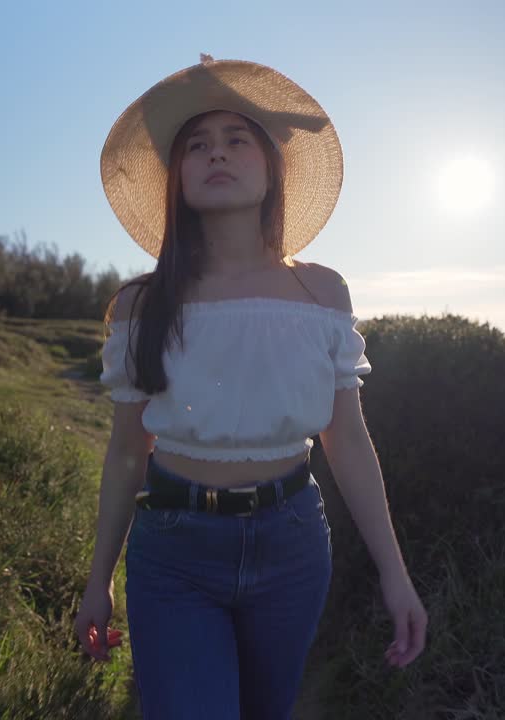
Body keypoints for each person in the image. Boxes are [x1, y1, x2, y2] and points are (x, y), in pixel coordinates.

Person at [73, 54, 427, 719]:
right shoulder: (140, 305)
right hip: (173, 549)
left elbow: (346, 438)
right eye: (198, 146)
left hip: (293, 541)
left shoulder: (320, 291)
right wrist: (98, 580)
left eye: (238, 140)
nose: (217, 154)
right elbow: (127, 452)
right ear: (176, 178)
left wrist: (395, 574)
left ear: (272, 170)